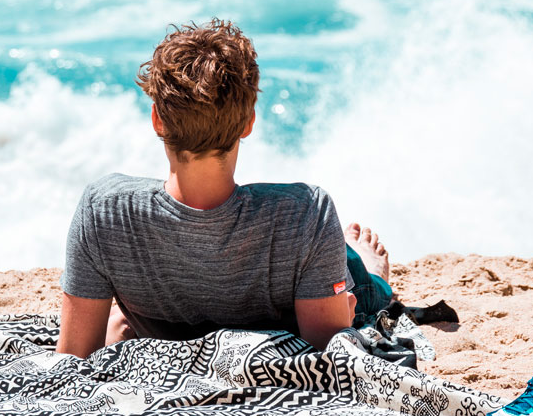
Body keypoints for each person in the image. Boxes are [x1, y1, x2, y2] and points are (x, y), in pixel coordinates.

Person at [57, 19, 394, 359]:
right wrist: (344, 320)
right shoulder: (304, 211)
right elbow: (327, 351)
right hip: (301, 274)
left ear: (157, 119)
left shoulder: (104, 210)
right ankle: (372, 273)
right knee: (359, 282)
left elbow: (73, 356)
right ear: (249, 122)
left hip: (159, 320)